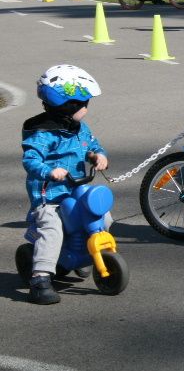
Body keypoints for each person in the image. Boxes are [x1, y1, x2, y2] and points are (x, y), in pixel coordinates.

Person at [21, 65, 108, 304]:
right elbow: (30, 160)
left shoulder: (80, 128)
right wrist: (49, 171)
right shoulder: (42, 133)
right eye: (84, 104)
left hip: (76, 190)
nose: (87, 108)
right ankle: (40, 279)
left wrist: (97, 156)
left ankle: (86, 251)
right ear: (67, 106)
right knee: (52, 228)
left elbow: (92, 145)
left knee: (103, 216)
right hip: (50, 196)